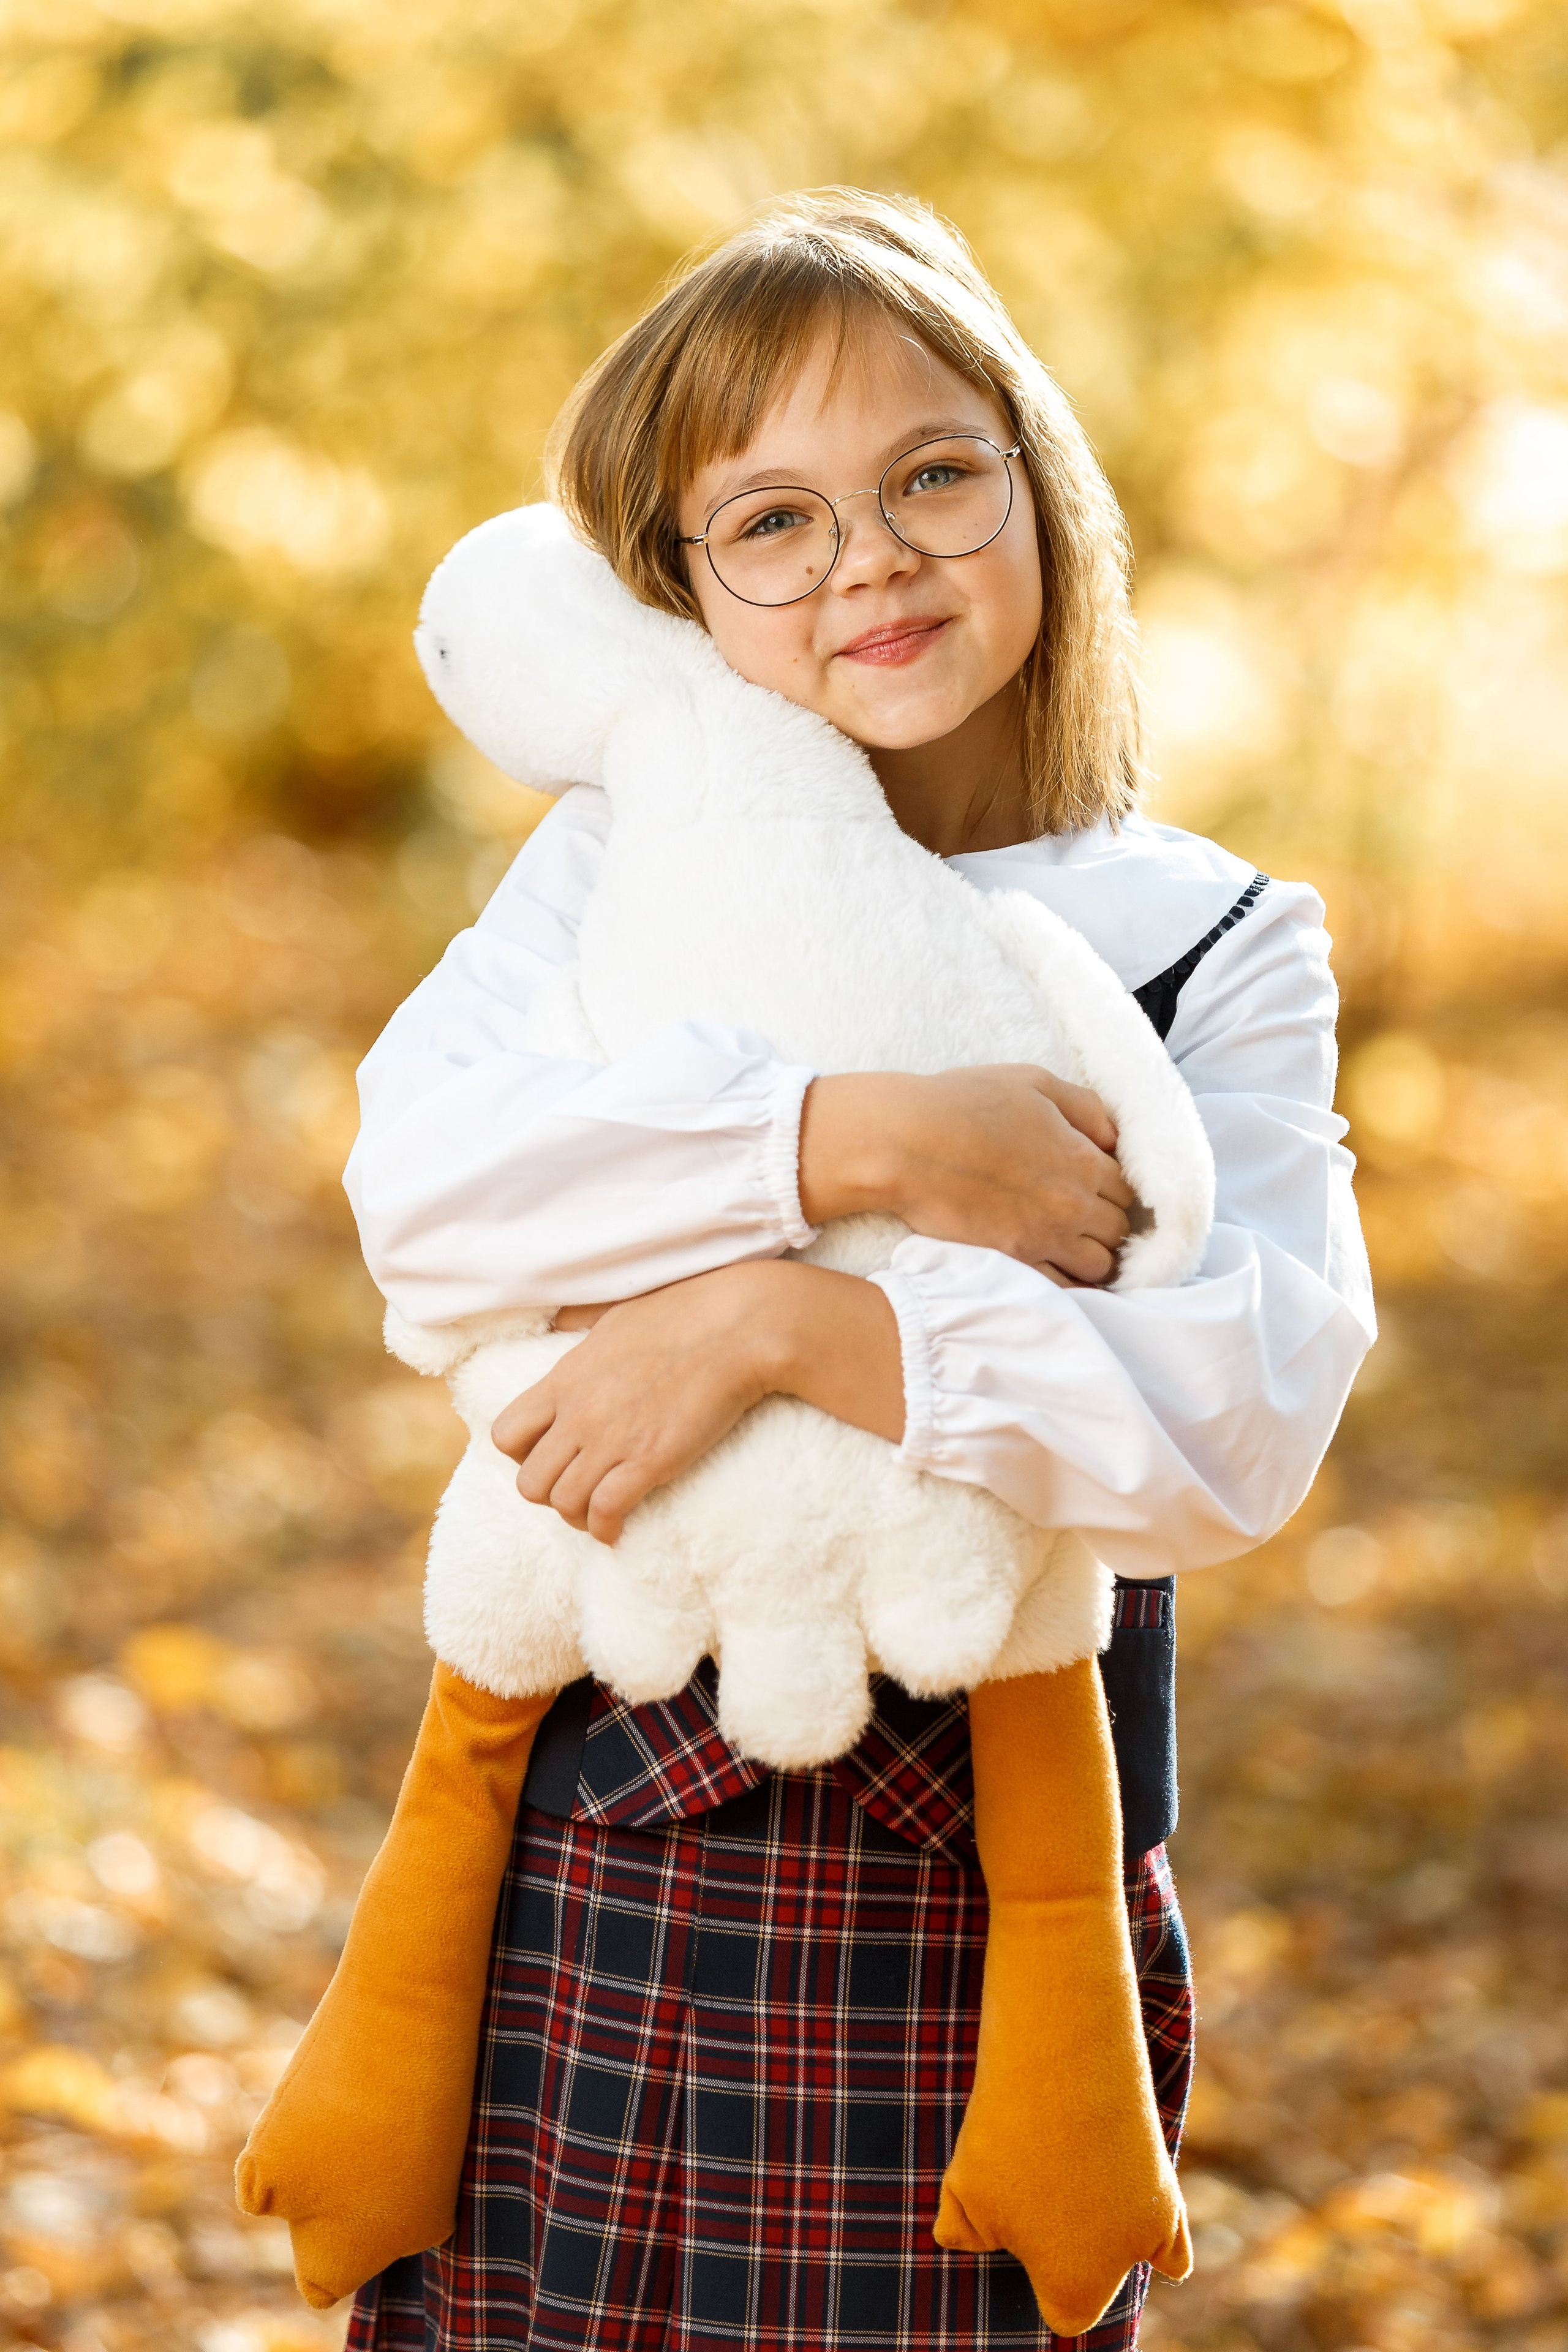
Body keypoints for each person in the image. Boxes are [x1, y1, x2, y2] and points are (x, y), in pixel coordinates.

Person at [268, 192, 1375, 2350]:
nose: (869, 561)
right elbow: (430, 1197)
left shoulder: (1211, 937)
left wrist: (781, 1318)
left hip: (984, 1904)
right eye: (769, 522)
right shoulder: (609, 866)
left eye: (933, 479)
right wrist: (848, 1142)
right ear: (682, 595)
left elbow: (1221, 1425)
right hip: (580, 1865)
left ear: (1039, 488)